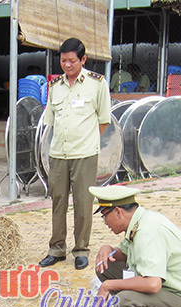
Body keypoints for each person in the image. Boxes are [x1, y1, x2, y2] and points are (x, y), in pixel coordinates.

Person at [38, 37, 111, 271]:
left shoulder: (97, 84)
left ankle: (81, 250)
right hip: (58, 154)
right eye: (63, 61)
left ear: (83, 60)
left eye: (72, 61)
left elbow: (104, 121)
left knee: (83, 204)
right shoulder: (55, 86)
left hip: (85, 155)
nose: (67, 65)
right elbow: (50, 121)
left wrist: (87, 142)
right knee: (58, 203)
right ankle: (56, 249)